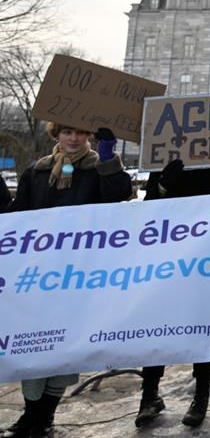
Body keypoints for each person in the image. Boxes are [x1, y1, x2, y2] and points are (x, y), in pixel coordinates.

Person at [2, 124, 131, 438]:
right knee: (33, 346)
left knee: (61, 347)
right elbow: (17, 215)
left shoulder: (98, 169)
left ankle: (45, 417)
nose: (73, 138)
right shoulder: (37, 171)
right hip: (39, 275)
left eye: (80, 133)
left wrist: (108, 160)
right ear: (55, 135)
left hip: (80, 277)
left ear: (89, 137)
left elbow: (119, 195)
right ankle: (30, 416)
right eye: (66, 132)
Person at [134, 158, 210, 429]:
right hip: (169, 256)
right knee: (158, 323)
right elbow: (150, 207)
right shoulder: (164, 161)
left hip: (205, 258)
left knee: (200, 324)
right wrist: (164, 186)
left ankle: (200, 396)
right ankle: (150, 395)